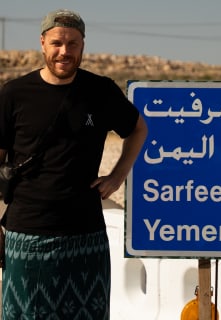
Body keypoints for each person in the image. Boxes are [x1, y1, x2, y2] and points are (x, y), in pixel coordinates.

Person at [0, 9, 148, 320]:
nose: (64, 51)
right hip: (28, 233)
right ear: (42, 43)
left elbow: (137, 129)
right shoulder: (14, 94)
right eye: (57, 43)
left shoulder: (101, 91)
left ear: (83, 45)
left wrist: (118, 175)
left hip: (86, 233)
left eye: (73, 43)